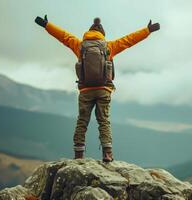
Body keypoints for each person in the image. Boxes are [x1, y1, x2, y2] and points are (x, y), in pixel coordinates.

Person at [35, 15, 160, 162]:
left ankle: (79, 154)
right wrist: (147, 30)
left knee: (82, 121)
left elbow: (62, 36)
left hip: (85, 91)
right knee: (104, 121)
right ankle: (107, 154)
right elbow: (130, 40)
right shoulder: (109, 47)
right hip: (103, 90)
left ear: (88, 33)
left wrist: (46, 25)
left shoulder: (79, 45)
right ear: (102, 35)